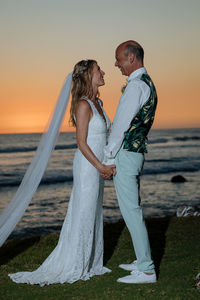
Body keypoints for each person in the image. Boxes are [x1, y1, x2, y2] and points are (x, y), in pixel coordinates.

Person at [8, 59, 116, 285]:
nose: (103, 72)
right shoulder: (84, 105)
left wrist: (108, 163)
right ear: (88, 75)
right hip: (88, 167)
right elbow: (82, 143)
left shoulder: (98, 103)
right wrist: (100, 166)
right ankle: (76, 264)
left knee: (93, 212)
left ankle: (91, 262)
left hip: (98, 166)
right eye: (99, 70)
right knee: (83, 214)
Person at [102, 41, 157, 284]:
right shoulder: (146, 83)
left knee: (131, 211)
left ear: (131, 57)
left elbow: (121, 125)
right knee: (133, 208)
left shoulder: (135, 86)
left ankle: (146, 270)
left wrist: (108, 157)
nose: (116, 64)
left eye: (119, 59)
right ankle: (141, 259)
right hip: (136, 153)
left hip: (126, 153)